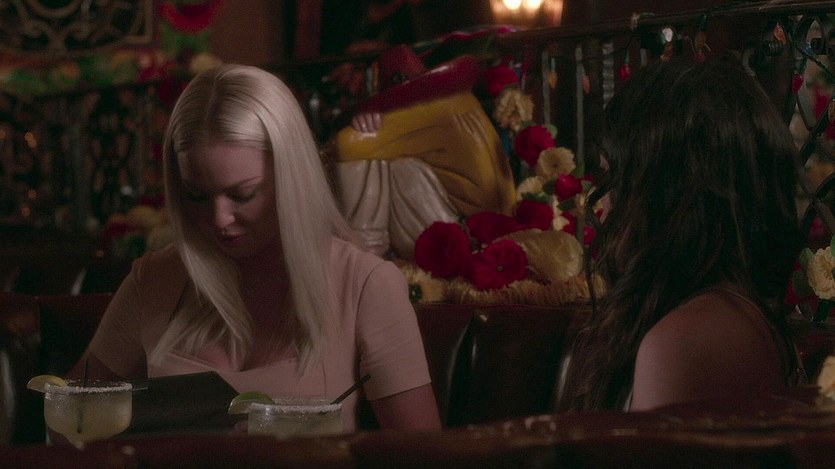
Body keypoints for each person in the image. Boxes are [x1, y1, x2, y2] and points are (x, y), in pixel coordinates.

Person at [67, 64, 442, 432]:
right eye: (196, 195)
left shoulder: (365, 285)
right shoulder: (154, 278)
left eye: (243, 194)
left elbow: (422, 457)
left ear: (292, 176)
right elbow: (70, 419)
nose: (219, 219)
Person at [556, 53, 805, 412]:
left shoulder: (683, 340)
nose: (602, 205)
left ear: (664, 192)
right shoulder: (732, 311)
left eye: (614, 180)